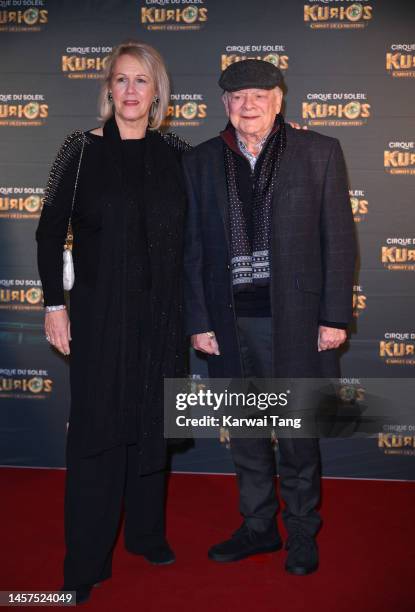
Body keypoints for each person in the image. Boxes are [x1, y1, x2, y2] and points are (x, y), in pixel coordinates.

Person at [183, 59, 356, 575]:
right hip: (230, 321)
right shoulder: (200, 161)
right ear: (225, 105)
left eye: (260, 93)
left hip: (300, 320)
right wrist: (198, 318)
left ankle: (301, 530)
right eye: (237, 97)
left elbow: (340, 240)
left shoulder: (318, 151)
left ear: (280, 99)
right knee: (248, 431)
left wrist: (334, 317)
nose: (249, 104)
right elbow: (191, 249)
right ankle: (258, 527)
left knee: (299, 433)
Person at [36, 40, 189, 604]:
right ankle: (85, 561)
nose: (130, 91)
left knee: (151, 424)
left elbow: (197, 234)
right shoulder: (79, 151)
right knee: (99, 434)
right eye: (121, 80)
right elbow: (49, 232)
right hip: (100, 317)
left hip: (163, 318)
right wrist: (55, 304)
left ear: (157, 91)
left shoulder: (175, 152)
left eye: (141, 81)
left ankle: (147, 535)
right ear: (108, 88)